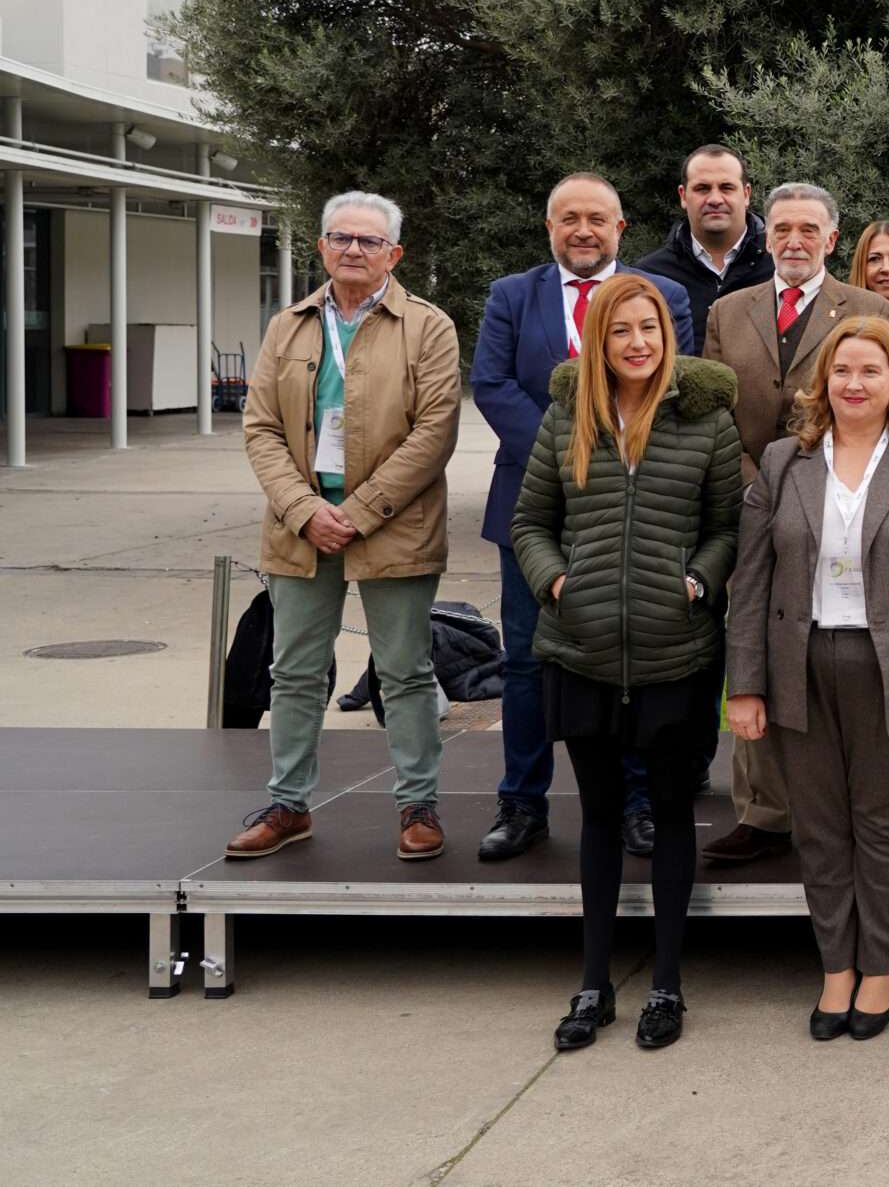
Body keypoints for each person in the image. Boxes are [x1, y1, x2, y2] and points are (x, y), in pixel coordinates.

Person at [727, 316, 889, 1038]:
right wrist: (744, 684)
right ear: (823, 381)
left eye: (871, 370)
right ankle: (835, 965)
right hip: (798, 664)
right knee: (819, 824)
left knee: (884, 819)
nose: (855, 383)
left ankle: (879, 967)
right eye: (842, 370)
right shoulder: (783, 460)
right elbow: (751, 580)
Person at [510, 274, 742, 1052]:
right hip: (581, 651)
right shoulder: (564, 418)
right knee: (601, 817)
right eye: (621, 331)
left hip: (676, 651)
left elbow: (726, 524)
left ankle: (668, 983)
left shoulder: (706, 422)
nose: (638, 342)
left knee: (673, 816)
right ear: (599, 340)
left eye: (649, 328)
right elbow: (530, 521)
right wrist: (557, 580)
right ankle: (594, 982)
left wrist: (699, 580)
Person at [470, 173, 697, 863]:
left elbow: (674, 383)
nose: (583, 229)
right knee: (527, 662)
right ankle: (522, 800)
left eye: (597, 217)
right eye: (568, 218)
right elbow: (492, 383)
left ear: (620, 227)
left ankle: (637, 804)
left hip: (640, 510)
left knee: (632, 659)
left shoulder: (667, 298)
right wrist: (567, 455)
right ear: (550, 228)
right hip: (531, 507)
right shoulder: (514, 295)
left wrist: (604, 464)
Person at [229, 193, 460, 861]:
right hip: (299, 528)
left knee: (405, 671)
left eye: (369, 239)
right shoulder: (287, 325)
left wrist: (358, 514)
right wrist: (305, 509)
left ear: (396, 253)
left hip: (395, 528)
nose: (354, 249)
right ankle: (288, 803)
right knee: (293, 672)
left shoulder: (430, 326)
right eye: (341, 238)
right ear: (322, 247)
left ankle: (419, 804)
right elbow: (261, 428)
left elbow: (435, 431)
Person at [699, 184, 889, 867]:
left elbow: (880, 398)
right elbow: (716, 410)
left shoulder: (870, 309)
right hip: (752, 498)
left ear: (832, 239)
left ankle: (855, 796)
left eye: (808, 228)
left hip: (843, 501)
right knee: (754, 638)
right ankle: (763, 811)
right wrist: (758, 482)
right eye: (781, 227)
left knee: (838, 652)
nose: (793, 239)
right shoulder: (728, 311)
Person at [635, 143, 773, 352]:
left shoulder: (778, 268)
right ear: (683, 195)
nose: (715, 199)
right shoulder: (649, 276)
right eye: (702, 188)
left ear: (746, 194)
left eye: (726, 187)